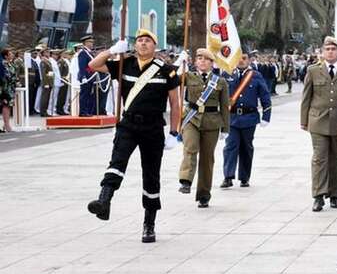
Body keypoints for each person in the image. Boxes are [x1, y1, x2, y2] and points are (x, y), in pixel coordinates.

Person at [86, 29, 181, 243]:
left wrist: (175, 132)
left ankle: (149, 224)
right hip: (128, 125)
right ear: (135, 45)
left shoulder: (167, 71)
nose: (143, 44)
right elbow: (93, 65)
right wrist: (111, 51)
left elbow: (175, 104)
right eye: (140, 41)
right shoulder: (124, 64)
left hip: (153, 128)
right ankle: (104, 201)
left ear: (154, 46)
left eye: (148, 41)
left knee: (151, 176)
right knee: (116, 163)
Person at [300, 36, 337, 212]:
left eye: (333, 49)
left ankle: (333, 195)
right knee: (319, 159)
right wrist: (304, 121)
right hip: (318, 121)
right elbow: (306, 97)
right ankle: (318, 196)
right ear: (322, 52)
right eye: (327, 49)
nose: (330, 52)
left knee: (335, 160)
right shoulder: (313, 70)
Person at [178, 49, 230, 208]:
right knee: (190, 148)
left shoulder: (220, 81)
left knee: (207, 160)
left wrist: (225, 129)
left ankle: (203, 194)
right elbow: (172, 80)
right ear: (195, 61)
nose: (202, 61)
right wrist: (180, 64)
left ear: (212, 63)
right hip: (191, 119)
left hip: (212, 122)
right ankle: (186, 180)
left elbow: (225, 106)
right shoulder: (188, 76)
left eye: (206, 59)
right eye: (199, 58)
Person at [221, 52, 272, 189]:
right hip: (231, 118)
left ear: (249, 60)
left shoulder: (256, 76)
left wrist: (266, 117)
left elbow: (265, 97)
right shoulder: (227, 74)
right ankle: (228, 176)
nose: (241, 61)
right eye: (238, 58)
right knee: (230, 146)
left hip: (249, 118)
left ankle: (244, 177)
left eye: (244, 58)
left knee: (246, 148)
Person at [77, 35, 97, 116]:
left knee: (89, 94)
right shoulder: (83, 53)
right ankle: (82, 112)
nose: (92, 43)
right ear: (85, 43)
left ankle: (87, 111)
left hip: (91, 77)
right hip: (86, 77)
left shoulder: (89, 52)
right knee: (84, 95)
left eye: (92, 42)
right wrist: (84, 77)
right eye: (90, 42)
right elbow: (82, 66)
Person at [1, 48, 17, 132]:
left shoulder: (11, 64)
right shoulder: (3, 64)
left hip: (11, 88)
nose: (12, 55)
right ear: (6, 56)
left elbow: (14, 74)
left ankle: (5, 124)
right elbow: (6, 76)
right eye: (10, 54)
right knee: (5, 105)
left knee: (8, 106)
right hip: (4, 88)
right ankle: (7, 125)